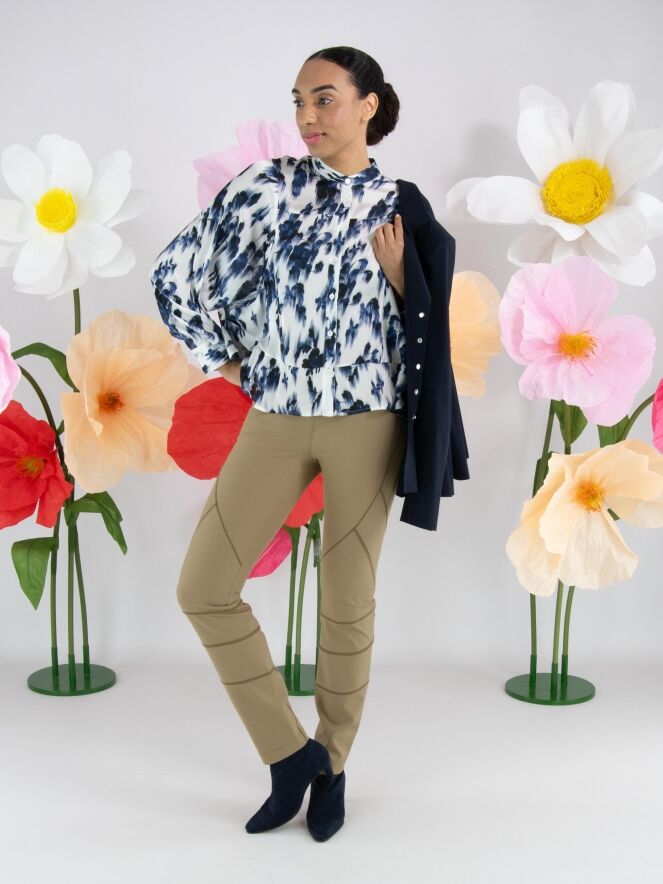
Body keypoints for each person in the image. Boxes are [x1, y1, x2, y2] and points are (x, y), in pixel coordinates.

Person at [150, 46, 416, 842]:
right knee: (204, 587)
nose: (306, 116)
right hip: (275, 415)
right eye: (298, 100)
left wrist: (404, 283)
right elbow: (178, 270)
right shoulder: (268, 185)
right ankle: (289, 755)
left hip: (367, 419)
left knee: (346, 601)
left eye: (324, 98)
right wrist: (225, 359)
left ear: (368, 105)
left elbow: (425, 331)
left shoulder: (401, 206)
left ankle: (332, 765)